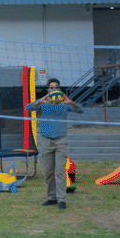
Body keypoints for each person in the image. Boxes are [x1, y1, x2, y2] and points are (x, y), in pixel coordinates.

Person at [23, 77, 82, 209]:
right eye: (51, 87)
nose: (53, 89)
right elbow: (27, 108)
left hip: (60, 140)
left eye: (56, 88)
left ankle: (61, 200)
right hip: (45, 140)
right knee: (48, 172)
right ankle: (51, 197)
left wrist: (69, 101)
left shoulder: (65, 104)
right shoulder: (43, 102)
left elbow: (80, 110)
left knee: (60, 171)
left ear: (59, 89)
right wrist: (40, 101)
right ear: (48, 89)